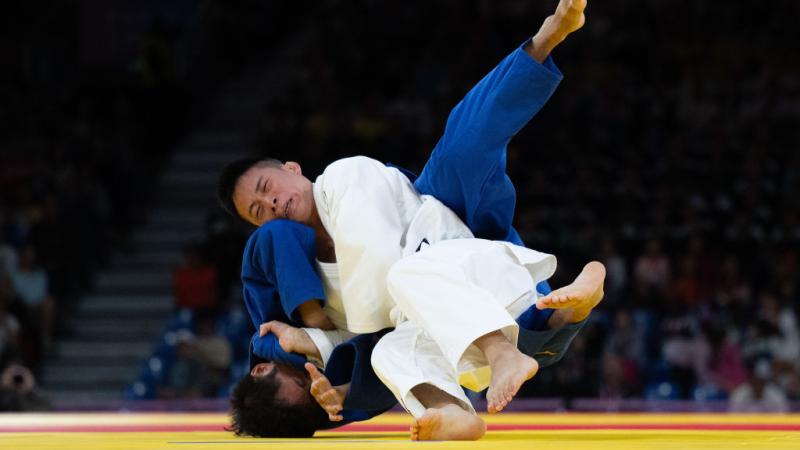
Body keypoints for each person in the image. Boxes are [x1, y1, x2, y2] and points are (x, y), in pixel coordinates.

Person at [221, 0, 590, 438]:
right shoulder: (322, 283)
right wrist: (323, 351)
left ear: (292, 168)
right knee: (386, 353)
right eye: (259, 213)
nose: (274, 206)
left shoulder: (343, 175)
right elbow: (370, 341)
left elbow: (374, 294)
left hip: (459, 236)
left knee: (465, 142)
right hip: (454, 320)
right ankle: (453, 411)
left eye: (267, 190)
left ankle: (547, 37)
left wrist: (322, 331)